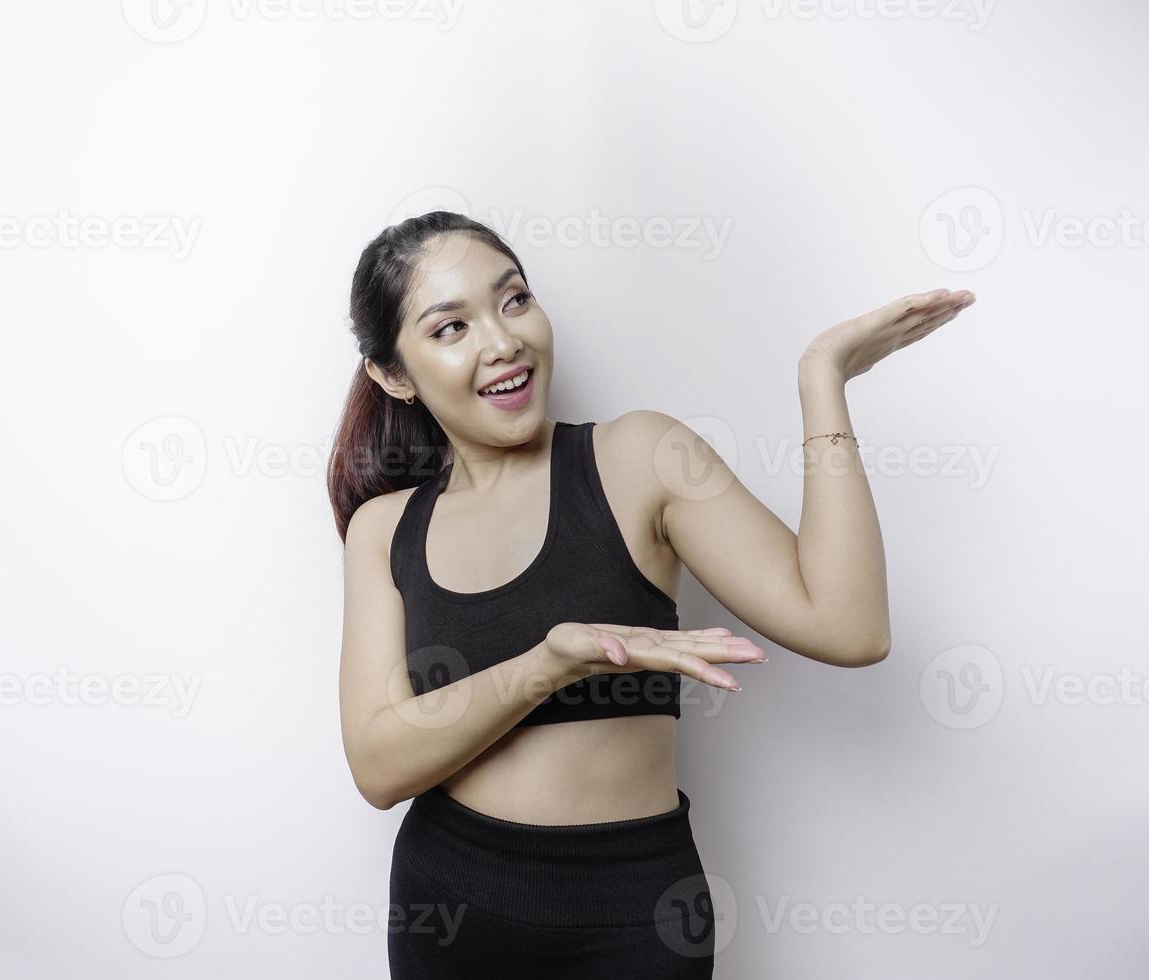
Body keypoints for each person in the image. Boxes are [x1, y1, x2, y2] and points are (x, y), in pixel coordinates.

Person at [328, 210, 976, 977]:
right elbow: (377, 766)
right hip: (452, 900)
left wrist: (823, 382)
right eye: (450, 328)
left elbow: (850, 626)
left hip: (638, 912)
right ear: (392, 374)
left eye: (514, 300)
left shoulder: (642, 457)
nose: (503, 342)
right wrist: (550, 664)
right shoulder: (385, 530)